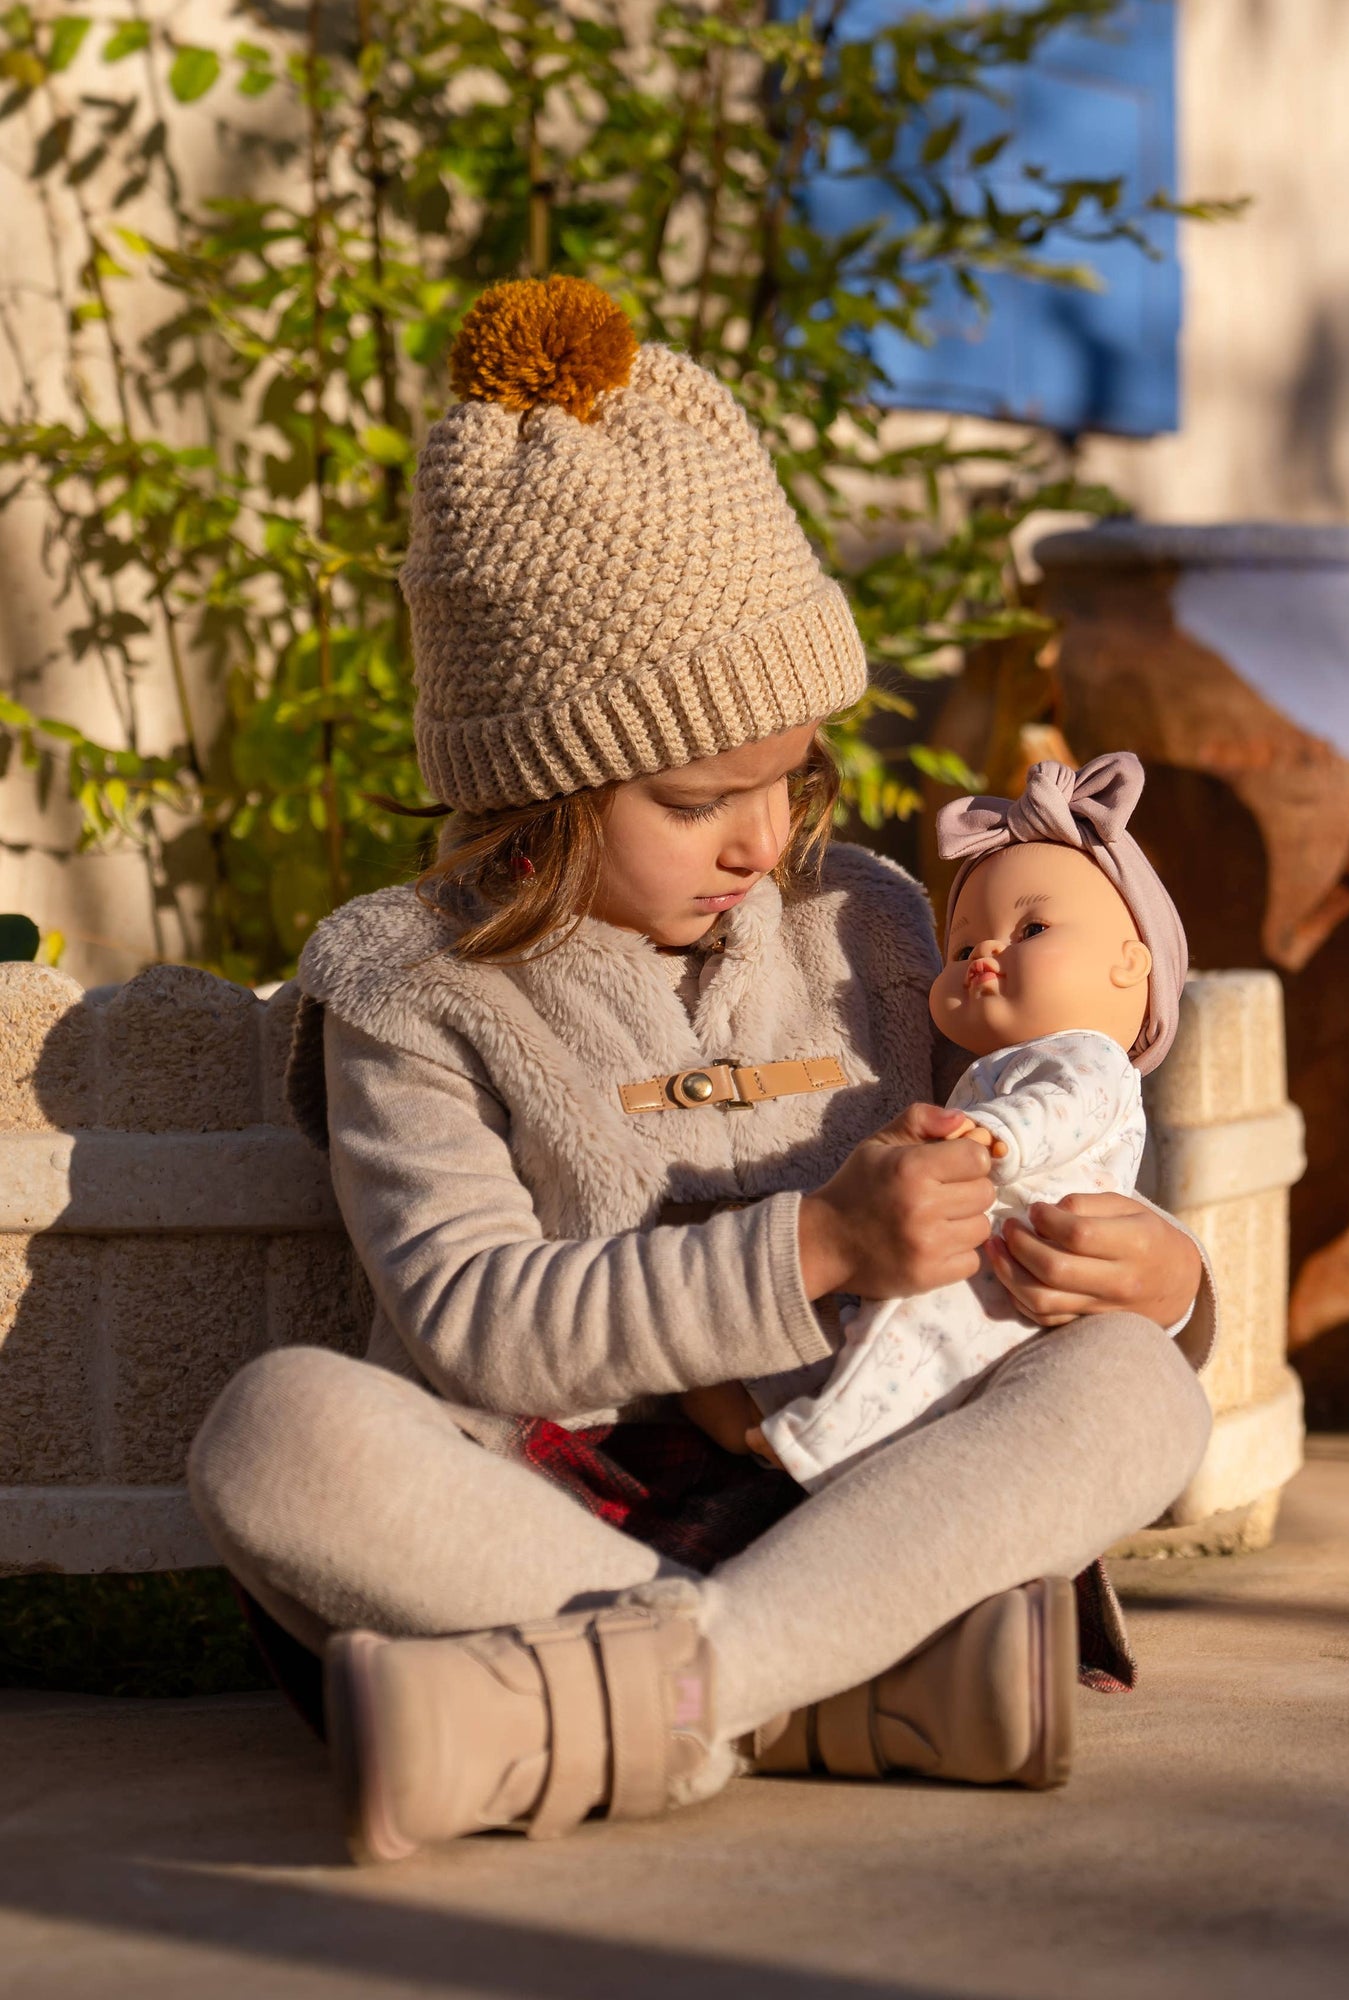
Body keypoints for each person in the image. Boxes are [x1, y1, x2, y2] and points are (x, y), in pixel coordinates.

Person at [186, 274, 1213, 1866]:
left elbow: (1029, 1155)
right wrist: (819, 1245)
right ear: (538, 786)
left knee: (1137, 1386)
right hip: (547, 1514)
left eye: (790, 777)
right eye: (693, 797)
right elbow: (472, 1317)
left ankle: (638, 1703)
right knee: (273, 1430)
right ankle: (826, 1682)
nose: (760, 838)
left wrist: (1147, 1272)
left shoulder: (866, 925)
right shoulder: (409, 989)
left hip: (868, 1482)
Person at [720, 752, 1189, 1492]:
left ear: (1131, 963)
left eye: (1031, 929)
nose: (984, 954)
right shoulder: (989, 1061)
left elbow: (1062, 1110)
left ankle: (819, 1441)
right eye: (964, 945)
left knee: (919, 1338)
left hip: (1014, 1258)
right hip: (973, 1238)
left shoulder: (1089, 1056)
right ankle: (803, 1418)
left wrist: (1000, 1134)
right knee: (885, 1333)